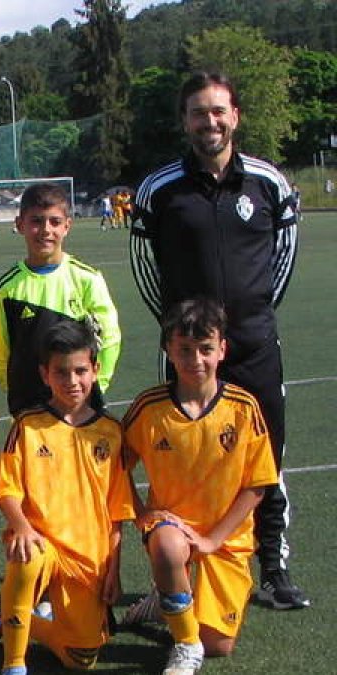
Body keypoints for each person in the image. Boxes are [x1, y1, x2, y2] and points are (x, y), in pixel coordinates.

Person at [130, 72, 307, 609]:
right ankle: (177, 572)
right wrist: (181, 330)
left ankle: (273, 566)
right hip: (188, 356)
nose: (209, 122)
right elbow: (145, 266)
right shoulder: (159, 189)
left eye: (218, 111)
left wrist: (251, 318)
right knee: (183, 461)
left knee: (266, 456)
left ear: (235, 116)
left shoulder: (268, 183)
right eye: (198, 113)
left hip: (253, 348)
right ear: (184, 121)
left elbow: (284, 255)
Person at [122, 298, 278, 674]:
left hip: (225, 538)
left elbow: (258, 484)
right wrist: (142, 513)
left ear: (222, 349)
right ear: (168, 350)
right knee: (168, 545)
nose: (196, 360)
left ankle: (163, 602)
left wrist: (212, 540)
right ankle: (185, 644)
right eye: (185, 350)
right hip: (172, 529)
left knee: (219, 646)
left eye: (205, 349)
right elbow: (113, 467)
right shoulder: (149, 408)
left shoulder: (243, 408)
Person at [0, 320, 133, 675]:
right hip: (42, 543)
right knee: (26, 557)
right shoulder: (28, 425)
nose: (72, 381)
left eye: (80, 371)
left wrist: (114, 568)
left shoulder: (110, 431)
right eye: (61, 372)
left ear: (95, 370)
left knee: (81, 658)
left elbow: (117, 510)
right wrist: (22, 527)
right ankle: (14, 663)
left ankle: (20, 621)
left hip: (87, 556)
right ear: (45, 374)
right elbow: (6, 489)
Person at [0, 182, 122, 416]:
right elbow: (2, 353)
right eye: (36, 221)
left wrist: (93, 387)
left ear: (67, 226)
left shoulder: (87, 280)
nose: (45, 230)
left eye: (55, 222)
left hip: (80, 408)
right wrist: (16, 390)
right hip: (29, 410)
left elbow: (110, 339)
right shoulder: (7, 288)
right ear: (20, 225)